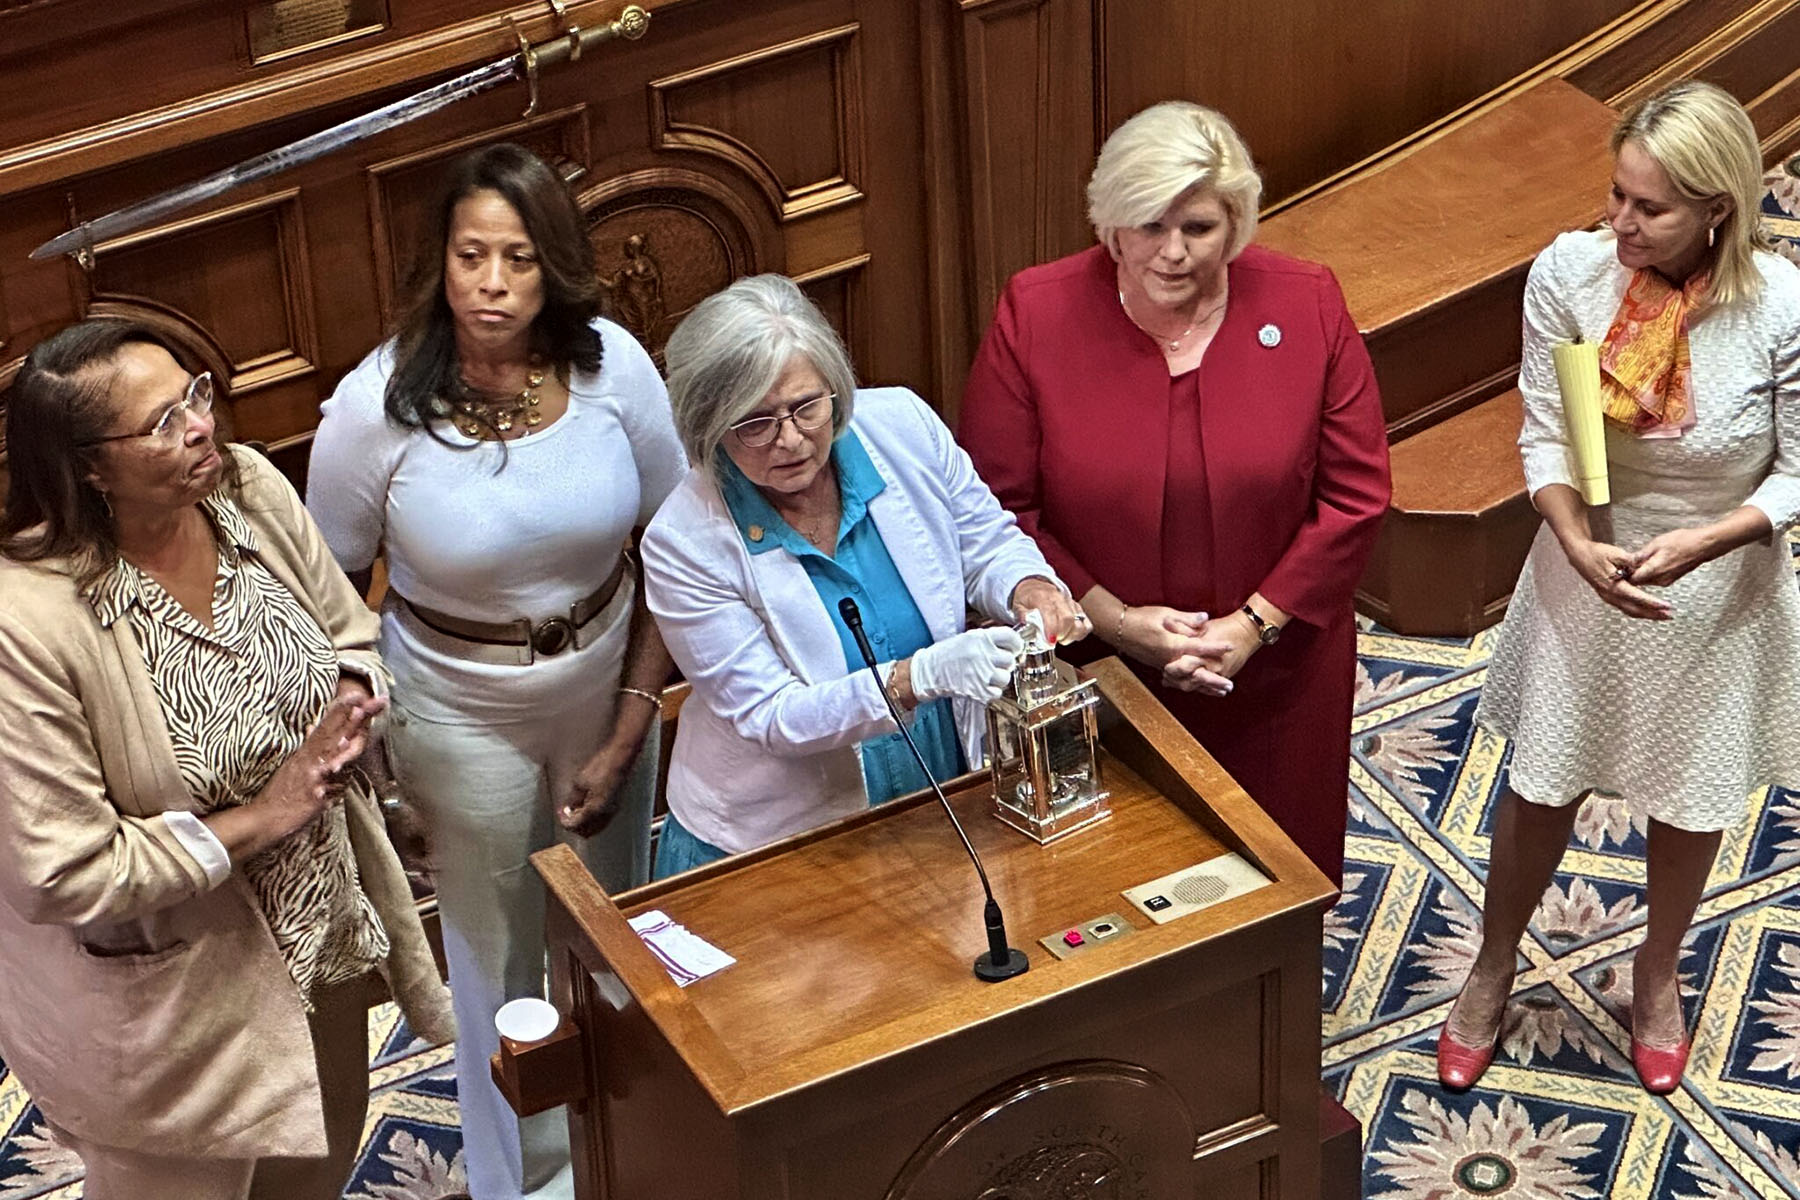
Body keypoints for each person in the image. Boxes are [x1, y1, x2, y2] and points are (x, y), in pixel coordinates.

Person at [306, 143, 686, 1199]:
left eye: (518, 259)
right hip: (458, 706)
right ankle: (526, 1182)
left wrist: (629, 724)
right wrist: (373, 759)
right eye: (471, 255)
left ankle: (632, 1156)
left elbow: (673, 546)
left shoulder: (615, 367)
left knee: (615, 936)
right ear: (439, 263)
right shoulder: (372, 406)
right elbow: (326, 589)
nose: (491, 283)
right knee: (498, 962)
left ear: (553, 266)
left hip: (610, 682)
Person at [0, 320, 454, 1199]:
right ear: (89, 466)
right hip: (169, 1002)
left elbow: (349, 634)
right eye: (163, 421)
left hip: (319, 931)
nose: (201, 425)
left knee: (316, 1172)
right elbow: (60, 872)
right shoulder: (28, 620)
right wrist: (263, 814)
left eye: (197, 394)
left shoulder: (246, 490)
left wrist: (356, 702)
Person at [1440, 81, 1800, 1096]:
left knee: (1691, 795)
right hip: (1585, 562)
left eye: (1650, 208)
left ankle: (1655, 976)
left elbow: (1796, 471)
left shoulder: (1780, 308)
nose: (1621, 223)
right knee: (1544, 780)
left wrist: (1715, 536)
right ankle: (1492, 962)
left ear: (1717, 209)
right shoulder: (1570, 275)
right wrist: (1572, 535)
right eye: (1617, 195)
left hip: (1718, 585)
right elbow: (1547, 431)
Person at [959, 101, 1391, 889]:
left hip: (1277, 669)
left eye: (1198, 227)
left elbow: (1357, 492)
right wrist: (1114, 622)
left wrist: (1255, 623)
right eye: (1148, 225)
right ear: (1109, 225)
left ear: (1236, 224)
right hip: (1096, 671)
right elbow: (996, 509)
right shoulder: (1036, 311)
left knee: (1278, 878)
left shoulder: (1307, 301)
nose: (1172, 251)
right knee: (1108, 895)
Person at [641, 274, 1087, 876]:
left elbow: (984, 540)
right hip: (783, 832)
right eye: (755, 423)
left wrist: (1027, 588)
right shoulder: (683, 543)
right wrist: (918, 675)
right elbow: (774, 714)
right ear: (709, 427)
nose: (791, 439)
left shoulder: (902, 425)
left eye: (806, 407)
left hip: (946, 777)